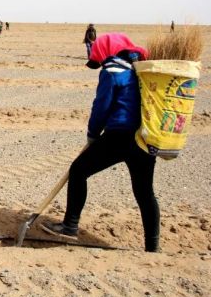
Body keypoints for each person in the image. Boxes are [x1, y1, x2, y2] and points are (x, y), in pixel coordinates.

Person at [41, 33, 160, 252]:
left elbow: (102, 106)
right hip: (145, 137)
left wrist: (93, 134)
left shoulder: (112, 71)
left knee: (78, 170)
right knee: (144, 192)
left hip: (119, 136)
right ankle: (152, 248)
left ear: (106, 51)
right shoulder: (142, 69)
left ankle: (69, 226)